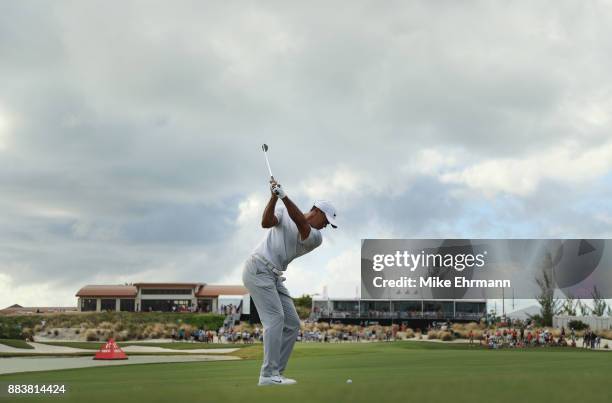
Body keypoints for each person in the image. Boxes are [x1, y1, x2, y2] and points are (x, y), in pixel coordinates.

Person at [242, 179, 337, 386]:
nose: (326, 225)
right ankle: (267, 375)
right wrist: (273, 197)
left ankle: (276, 374)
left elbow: (301, 224)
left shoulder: (316, 237)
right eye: (326, 220)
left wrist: (283, 196)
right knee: (275, 319)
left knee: (292, 323)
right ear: (317, 211)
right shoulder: (285, 213)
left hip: (274, 276)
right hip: (258, 268)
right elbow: (266, 222)